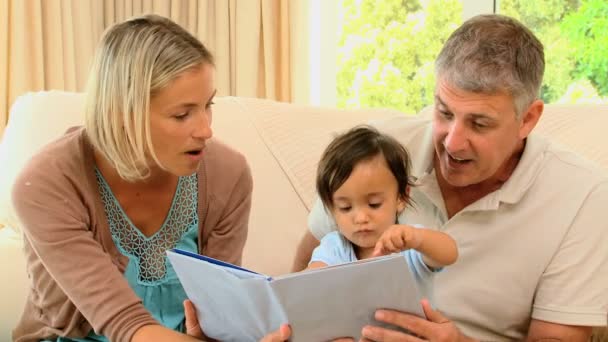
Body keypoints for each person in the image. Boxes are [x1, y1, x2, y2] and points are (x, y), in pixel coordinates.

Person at [293, 14, 608, 341]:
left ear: (528, 119)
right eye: (444, 112)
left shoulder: (584, 197)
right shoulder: (378, 152)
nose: (452, 143)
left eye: (480, 124)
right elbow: (306, 269)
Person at [10, 15, 287, 342]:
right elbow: (126, 325)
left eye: (207, 105)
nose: (205, 130)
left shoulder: (229, 174)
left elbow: (221, 312)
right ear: (123, 114)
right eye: (182, 114)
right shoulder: (47, 183)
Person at [306, 125, 458, 305]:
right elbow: (310, 281)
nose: (361, 218)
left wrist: (418, 239)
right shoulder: (334, 248)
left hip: (410, 332)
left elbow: (449, 253)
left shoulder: (408, 244)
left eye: (374, 204)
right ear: (331, 209)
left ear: (401, 197)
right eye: (345, 207)